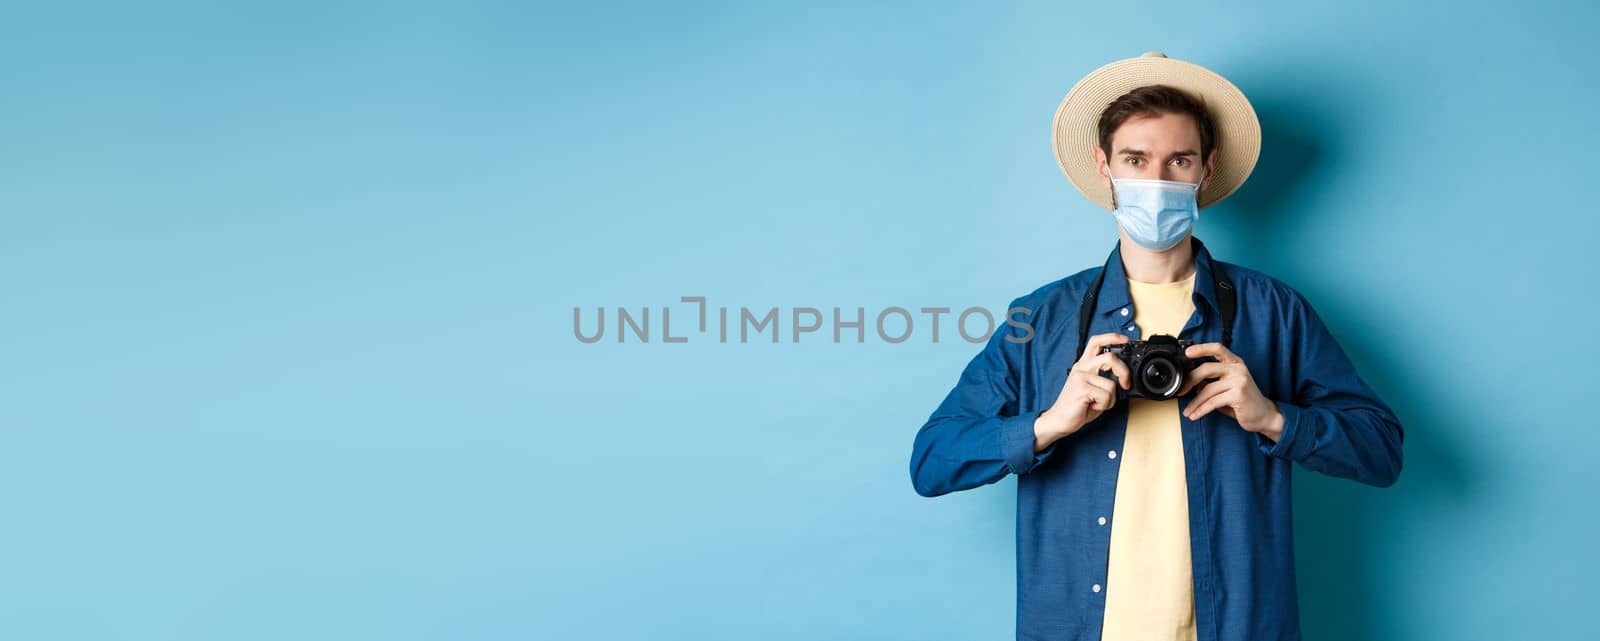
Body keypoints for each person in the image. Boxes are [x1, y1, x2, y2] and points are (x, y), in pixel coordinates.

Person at [907, 52, 1405, 641]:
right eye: (1136, 160)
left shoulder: (1273, 311)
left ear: (1206, 169)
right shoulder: (1043, 318)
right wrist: (1048, 424)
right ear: (1105, 166)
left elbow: (1381, 451)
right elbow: (932, 461)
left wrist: (1273, 417)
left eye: (1179, 161)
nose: (1158, 182)